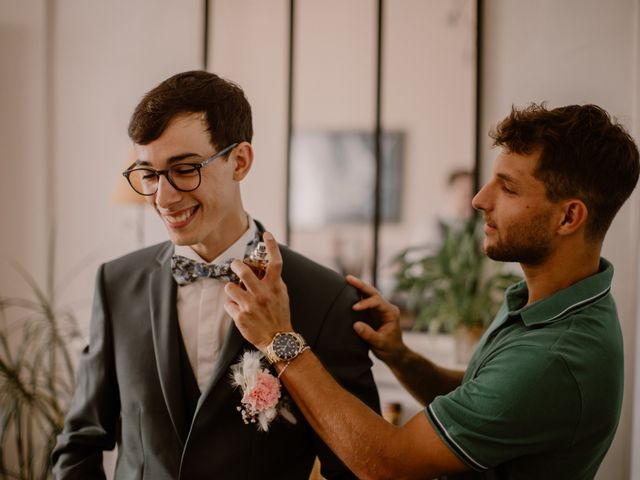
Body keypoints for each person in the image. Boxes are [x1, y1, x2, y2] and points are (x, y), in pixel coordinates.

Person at [225, 103, 640, 479]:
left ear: (569, 217)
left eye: (508, 188)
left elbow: (390, 464)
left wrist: (276, 338)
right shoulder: (541, 303)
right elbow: (483, 398)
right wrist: (401, 357)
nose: (480, 199)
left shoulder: (554, 358)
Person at [52, 70, 380, 479]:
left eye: (185, 168)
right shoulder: (116, 284)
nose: (163, 198)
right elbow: (80, 441)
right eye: (150, 174)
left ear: (239, 161)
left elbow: (355, 467)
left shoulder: (327, 298)